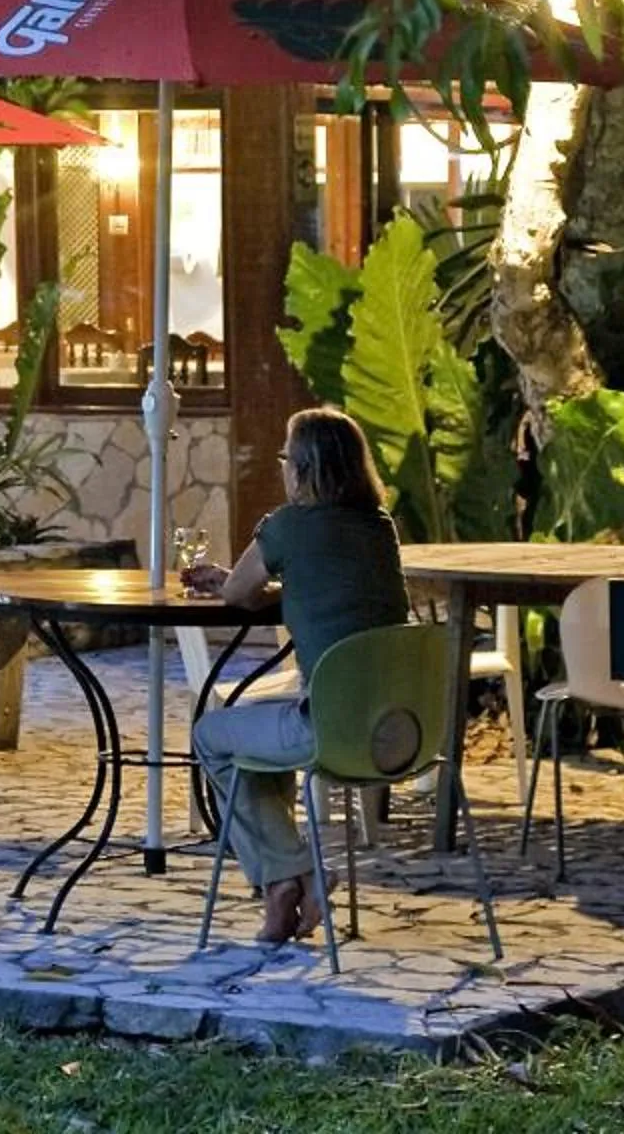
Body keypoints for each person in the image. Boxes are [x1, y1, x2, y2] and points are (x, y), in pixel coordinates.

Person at [184, 405, 411, 945]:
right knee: (261, 733)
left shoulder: (288, 527)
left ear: (303, 469)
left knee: (212, 734)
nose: (282, 468)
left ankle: (291, 875)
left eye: (286, 458)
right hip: (402, 728)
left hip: (330, 727)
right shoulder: (381, 528)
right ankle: (287, 885)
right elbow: (337, 587)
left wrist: (226, 580)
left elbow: (240, 594)